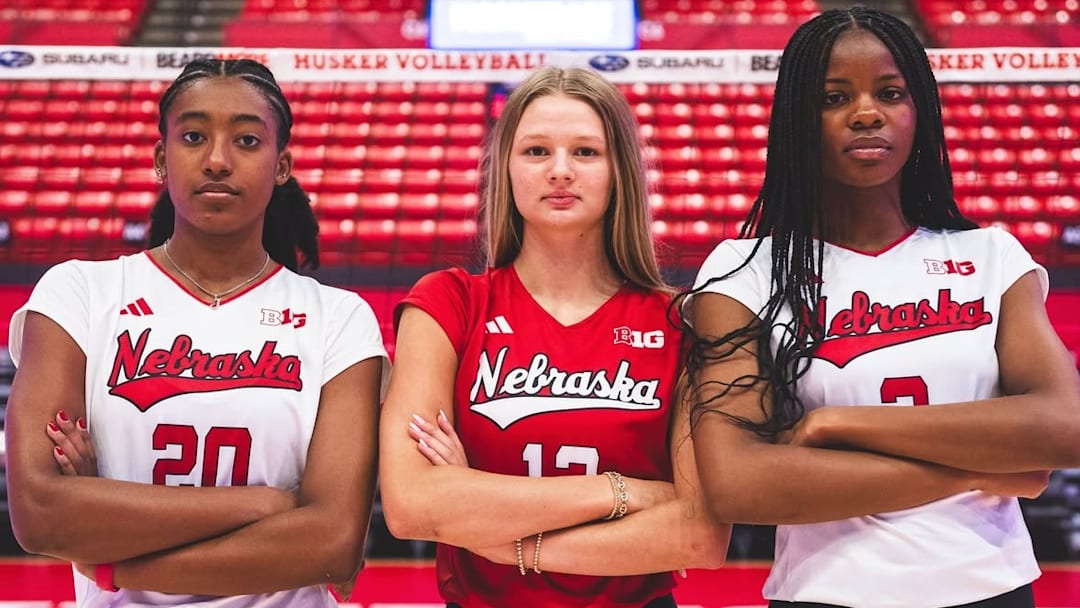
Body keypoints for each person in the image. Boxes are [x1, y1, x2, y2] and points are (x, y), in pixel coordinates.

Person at [679, 7, 1080, 608]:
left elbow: (1064, 427)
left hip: (991, 589)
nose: (866, 113)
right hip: (826, 593)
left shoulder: (993, 256)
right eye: (834, 97)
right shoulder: (745, 272)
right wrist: (971, 471)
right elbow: (740, 484)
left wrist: (836, 424)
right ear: (796, 120)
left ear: (919, 110)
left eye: (890, 92)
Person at [5, 58, 388, 606]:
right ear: (163, 159)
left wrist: (111, 561)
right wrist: (271, 505)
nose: (216, 160)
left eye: (248, 141)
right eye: (193, 136)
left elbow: (332, 542)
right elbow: (40, 511)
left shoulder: (340, 318)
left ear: (282, 166)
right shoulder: (79, 293)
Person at [378, 65, 731, 608]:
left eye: (586, 152)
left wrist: (496, 532)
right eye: (537, 151)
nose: (560, 171)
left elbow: (697, 535)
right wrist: (625, 493)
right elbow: (410, 505)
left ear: (619, 172)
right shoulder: (449, 302)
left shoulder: (680, 321)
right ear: (508, 170)